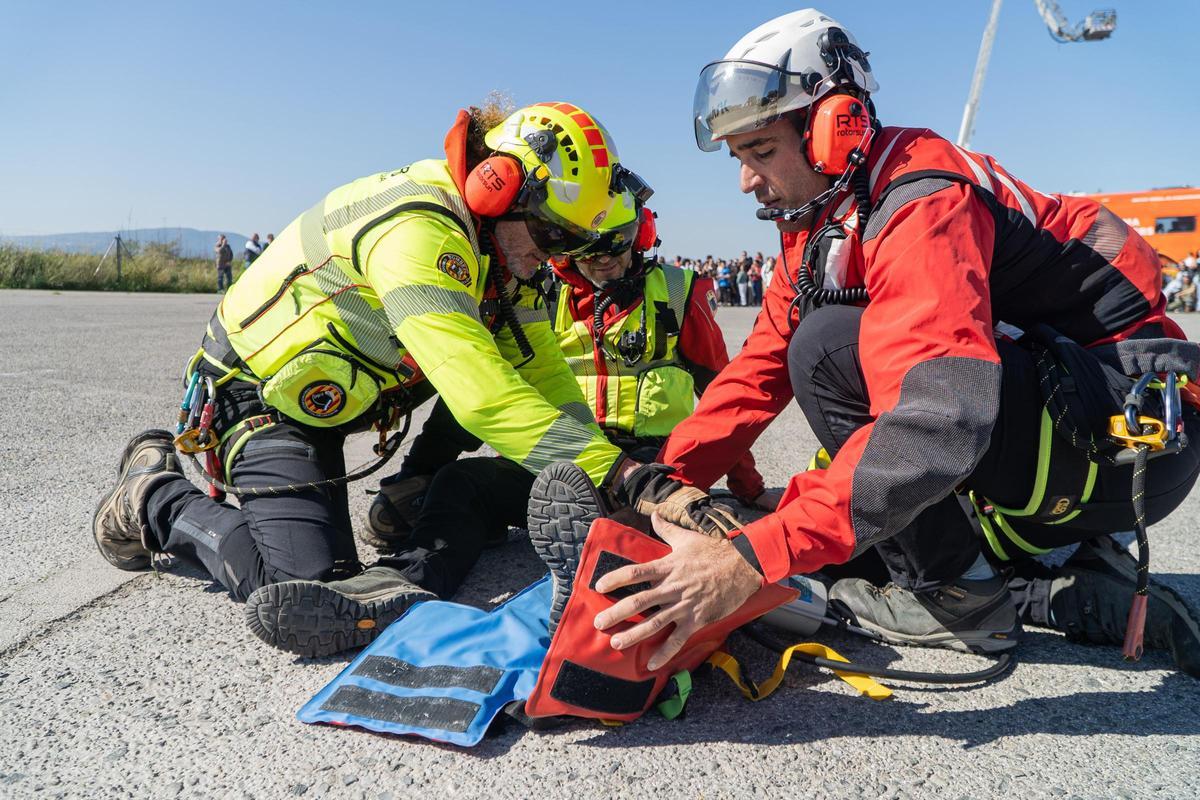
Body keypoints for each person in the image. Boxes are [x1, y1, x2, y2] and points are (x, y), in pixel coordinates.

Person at [552, 9, 1199, 676]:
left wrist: (749, 561)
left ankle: (959, 599)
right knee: (844, 536)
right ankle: (1053, 575)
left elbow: (937, 421)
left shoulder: (919, 199)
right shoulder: (821, 218)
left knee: (828, 350)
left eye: (761, 151)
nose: (745, 179)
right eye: (738, 157)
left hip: (1127, 440)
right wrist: (659, 484)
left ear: (838, 127)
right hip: (1079, 437)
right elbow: (754, 376)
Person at [92, 100, 662, 658]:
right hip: (260, 397)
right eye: (553, 235)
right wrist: (627, 476)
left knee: (359, 584)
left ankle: (413, 497)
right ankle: (152, 499)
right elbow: (480, 391)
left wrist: (605, 473)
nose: (557, 256)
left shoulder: (510, 257)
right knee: (303, 585)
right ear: (501, 187)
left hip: (335, 397)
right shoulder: (419, 227)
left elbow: (544, 378)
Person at [360, 226, 774, 614]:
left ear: (640, 233)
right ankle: (403, 586)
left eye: (617, 243)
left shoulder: (676, 290)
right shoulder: (530, 298)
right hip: (567, 461)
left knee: (625, 515)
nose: (604, 259)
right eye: (588, 249)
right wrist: (417, 475)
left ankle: (595, 578)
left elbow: (723, 391)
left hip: (649, 467)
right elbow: (475, 390)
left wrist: (748, 487)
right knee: (459, 482)